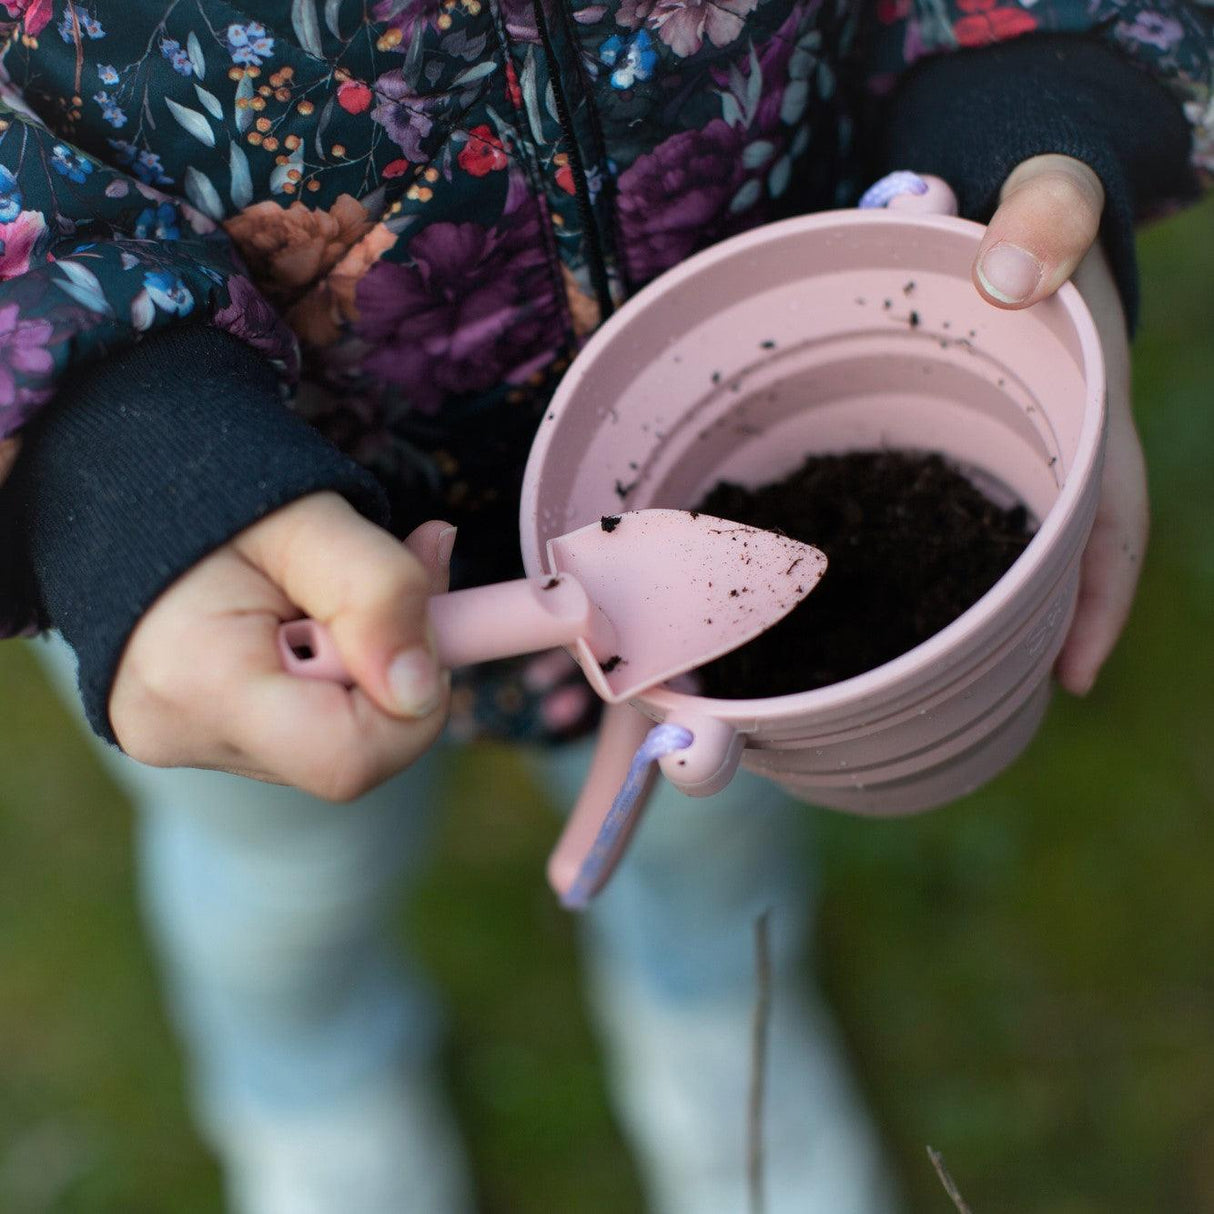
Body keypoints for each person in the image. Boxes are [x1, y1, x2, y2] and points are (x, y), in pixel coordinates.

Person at [0, 1, 1208, 1210]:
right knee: (283, 874)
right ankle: (311, 1079)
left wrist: (1029, 108)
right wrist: (121, 468)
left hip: (746, 352)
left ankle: (715, 1027)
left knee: (708, 828)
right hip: (225, 541)